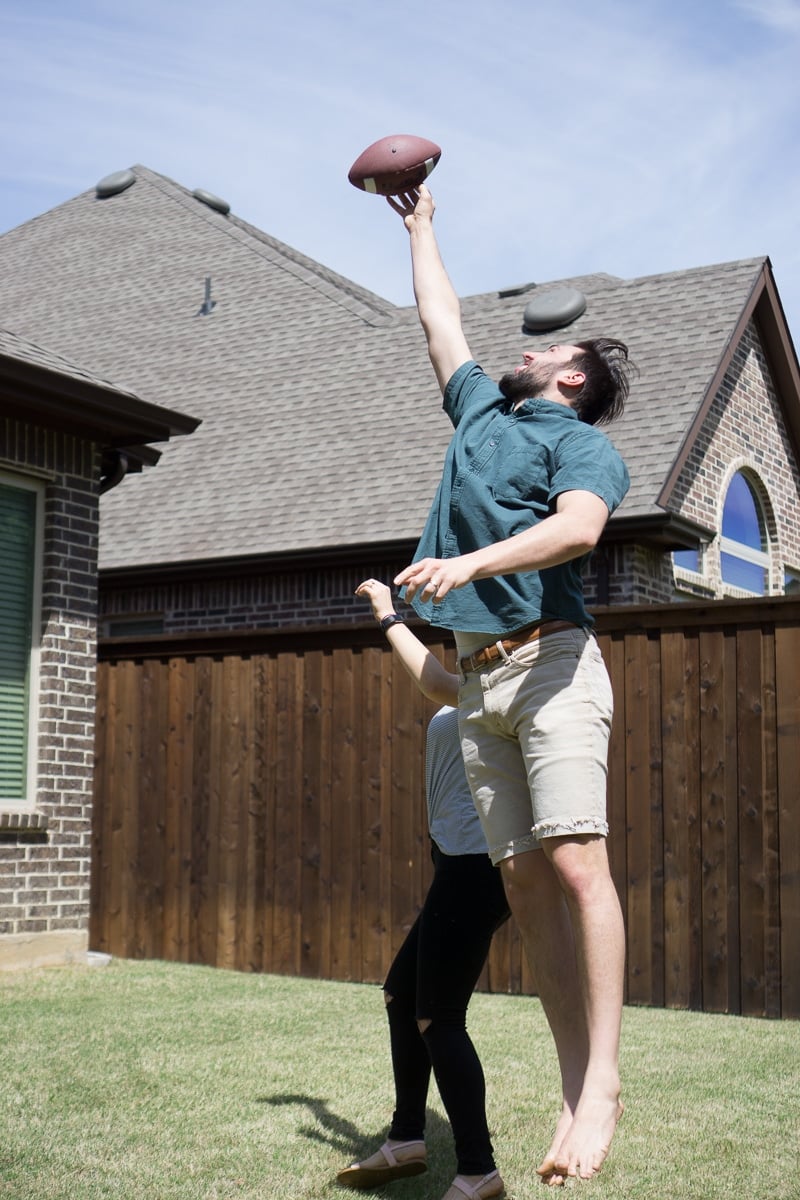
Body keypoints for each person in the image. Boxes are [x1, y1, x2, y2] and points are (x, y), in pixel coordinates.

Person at [386, 185, 633, 1186]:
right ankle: (571, 1086)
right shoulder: (481, 408)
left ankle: (603, 1082)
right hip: (481, 685)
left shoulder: (577, 443)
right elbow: (439, 318)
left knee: (576, 867)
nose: (519, 350)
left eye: (543, 351)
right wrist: (417, 227)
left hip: (552, 663)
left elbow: (577, 530)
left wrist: (469, 568)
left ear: (571, 375)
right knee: (525, 890)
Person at [336, 578, 510, 1200]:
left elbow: (432, 679)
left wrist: (388, 616)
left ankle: (478, 1170)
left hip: (478, 868)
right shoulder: (475, 677)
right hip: (455, 864)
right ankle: (408, 1137)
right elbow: (442, 678)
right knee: (400, 993)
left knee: (438, 1014)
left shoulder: (499, 681)